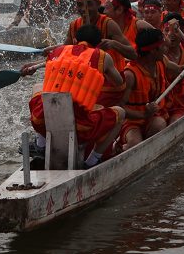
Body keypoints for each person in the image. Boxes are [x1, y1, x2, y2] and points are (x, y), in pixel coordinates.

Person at [20, 24, 126, 168]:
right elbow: (119, 83)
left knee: (38, 87)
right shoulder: (103, 57)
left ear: (75, 40)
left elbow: (49, 63)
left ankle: (41, 145)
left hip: (42, 121)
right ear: (99, 44)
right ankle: (92, 161)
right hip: (80, 128)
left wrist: (34, 65)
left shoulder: (58, 51)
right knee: (120, 113)